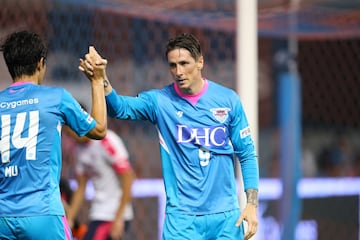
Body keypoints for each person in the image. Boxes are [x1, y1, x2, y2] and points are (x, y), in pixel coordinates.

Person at [82, 33, 259, 240]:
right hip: (182, 219)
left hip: (225, 218)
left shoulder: (228, 100)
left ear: (200, 61)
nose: (178, 72)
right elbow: (119, 108)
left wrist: (251, 204)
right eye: (173, 65)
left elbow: (246, 154)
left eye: (184, 63)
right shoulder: (161, 102)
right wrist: (101, 80)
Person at [0, 30, 107, 240]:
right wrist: (96, 81)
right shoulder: (55, 98)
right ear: (40, 63)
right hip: (43, 213)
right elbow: (99, 129)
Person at [64, 122, 135, 240]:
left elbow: (128, 178)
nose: (68, 136)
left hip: (113, 215)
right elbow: (81, 187)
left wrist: (119, 218)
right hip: (98, 213)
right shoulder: (79, 150)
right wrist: (69, 218)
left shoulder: (106, 140)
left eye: (68, 131)